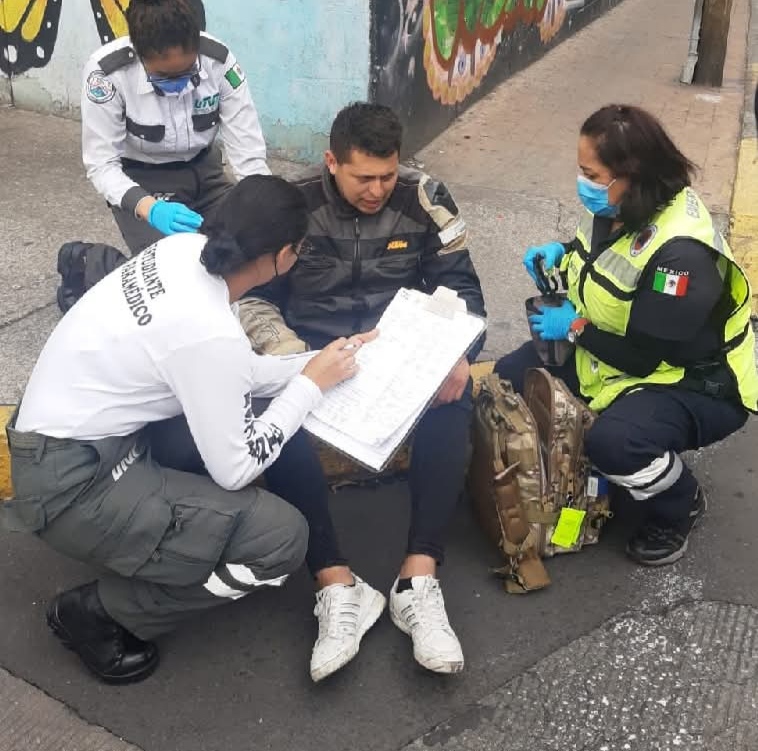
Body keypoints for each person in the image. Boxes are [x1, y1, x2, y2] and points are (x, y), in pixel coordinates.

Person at [2, 176, 374, 685]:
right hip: (71, 485)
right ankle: (103, 612)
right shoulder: (208, 333)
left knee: (245, 418)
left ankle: (153, 543)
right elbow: (236, 467)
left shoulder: (180, 252)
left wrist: (322, 363)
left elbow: (230, 371)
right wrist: (309, 386)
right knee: (281, 540)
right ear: (285, 255)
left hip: (61, 441)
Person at [237, 102, 487, 680]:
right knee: (276, 421)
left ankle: (417, 578)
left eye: (387, 175)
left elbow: (464, 290)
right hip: (310, 356)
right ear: (331, 163)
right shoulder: (290, 206)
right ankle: (336, 583)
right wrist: (291, 359)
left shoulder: (426, 198)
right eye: (362, 177)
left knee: (454, 398)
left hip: (397, 354)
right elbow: (250, 296)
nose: (378, 189)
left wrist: (454, 353)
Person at [496, 104, 757, 566]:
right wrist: (562, 253)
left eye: (590, 173)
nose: (583, 183)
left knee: (617, 444)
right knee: (511, 375)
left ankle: (680, 503)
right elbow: (595, 255)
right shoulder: (618, 204)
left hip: (691, 382)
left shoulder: (682, 255)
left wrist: (574, 327)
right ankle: (575, 469)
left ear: (629, 174)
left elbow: (641, 358)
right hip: (613, 357)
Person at [58, 0, 269, 305]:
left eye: (187, 72)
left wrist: (261, 208)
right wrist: (149, 208)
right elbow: (102, 165)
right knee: (173, 282)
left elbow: (247, 150)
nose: (179, 85)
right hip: (145, 183)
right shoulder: (107, 74)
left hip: (207, 173)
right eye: (164, 78)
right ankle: (85, 262)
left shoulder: (219, 61)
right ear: (139, 56)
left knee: (248, 259)